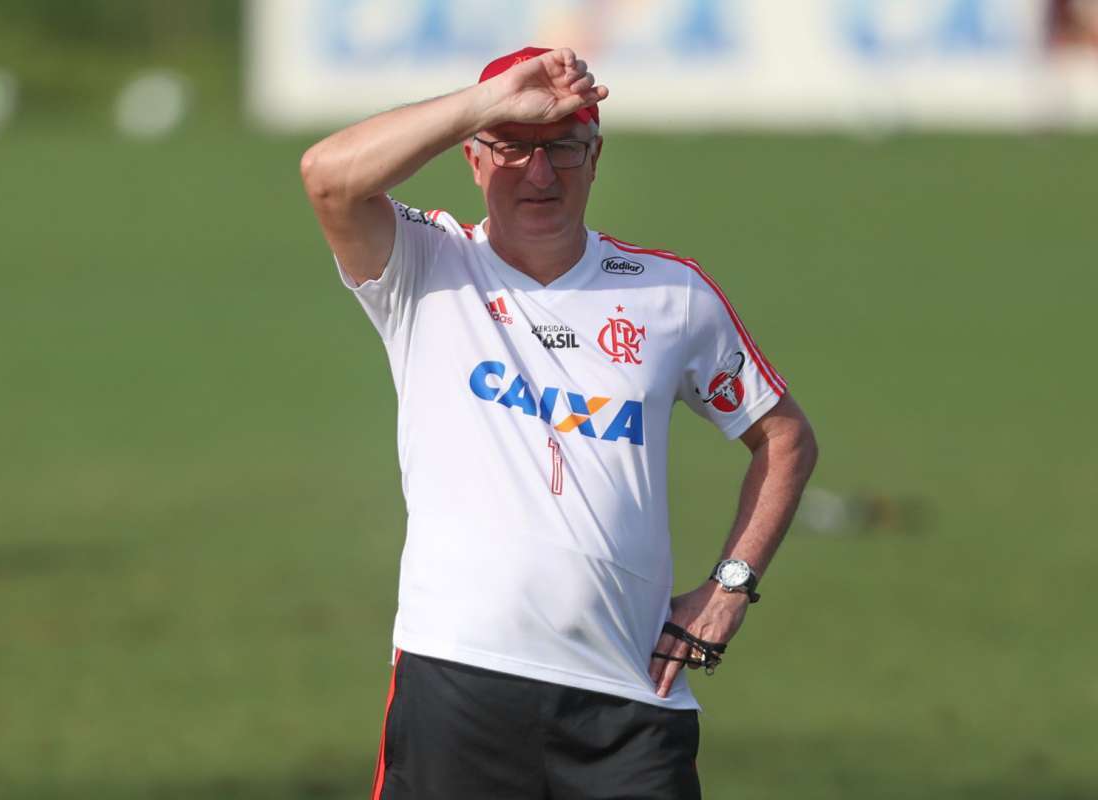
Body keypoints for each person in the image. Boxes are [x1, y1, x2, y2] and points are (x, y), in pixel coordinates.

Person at [301, 46, 818, 800]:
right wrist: (488, 103)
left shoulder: (670, 295)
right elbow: (327, 176)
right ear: (474, 158)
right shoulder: (426, 262)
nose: (539, 174)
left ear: (596, 158)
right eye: (513, 147)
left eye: (564, 149)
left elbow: (784, 437)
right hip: (458, 684)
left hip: (630, 705)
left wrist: (730, 586)